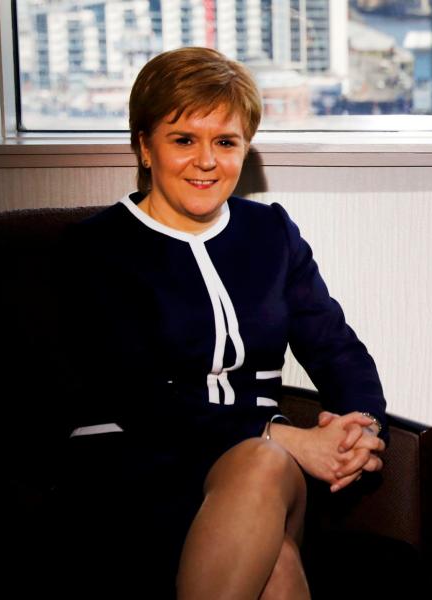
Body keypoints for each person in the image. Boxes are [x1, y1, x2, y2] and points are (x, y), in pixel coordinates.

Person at [55, 47, 386, 598]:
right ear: (144, 146)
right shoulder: (96, 248)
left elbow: (336, 348)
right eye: (183, 139)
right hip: (135, 466)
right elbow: (132, 396)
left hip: (263, 470)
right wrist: (281, 434)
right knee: (275, 559)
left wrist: (361, 430)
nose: (206, 161)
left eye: (226, 142)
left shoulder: (270, 233)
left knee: (262, 464)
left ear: (245, 149)